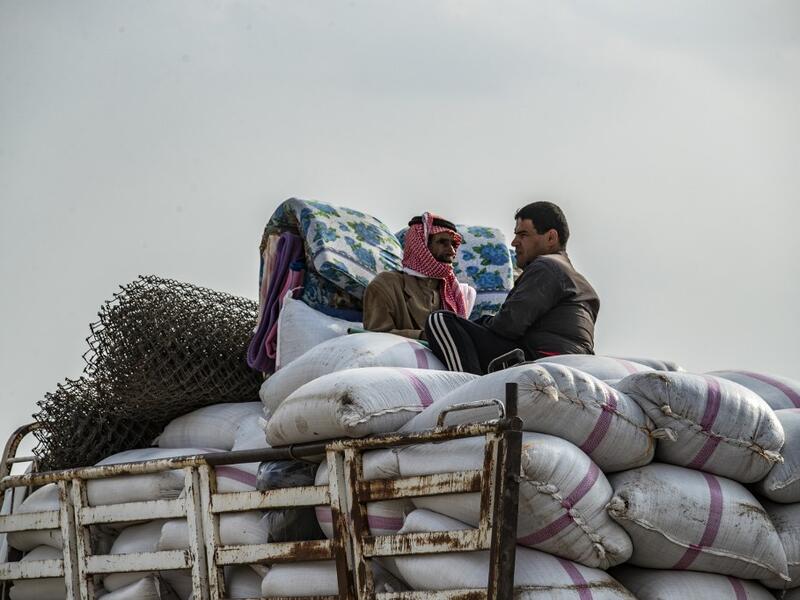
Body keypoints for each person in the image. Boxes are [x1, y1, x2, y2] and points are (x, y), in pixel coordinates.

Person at [425, 201, 599, 374]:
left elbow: (508, 325)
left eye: (523, 235)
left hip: (536, 360)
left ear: (551, 238)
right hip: (559, 358)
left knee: (440, 320)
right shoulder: (579, 281)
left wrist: (478, 323)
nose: (515, 242)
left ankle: (468, 387)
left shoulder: (546, 266)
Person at [363, 213, 476, 339]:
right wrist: (424, 336)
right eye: (442, 242)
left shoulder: (457, 294)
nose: (452, 251)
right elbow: (375, 336)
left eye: (453, 244)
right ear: (421, 247)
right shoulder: (386, 285)